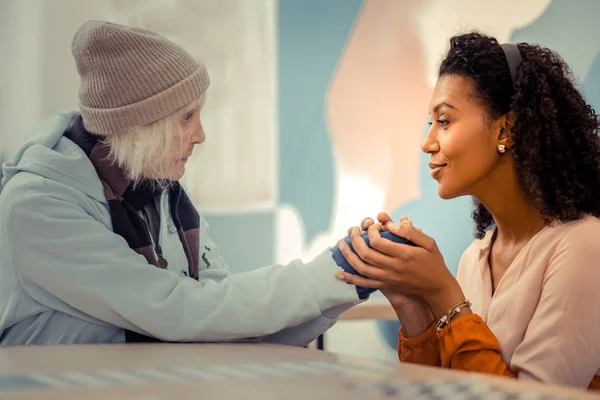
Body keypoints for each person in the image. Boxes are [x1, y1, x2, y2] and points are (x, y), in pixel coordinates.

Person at [0, 20, 369, 346]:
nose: (200, 135)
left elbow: (221, 321)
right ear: (139, 127)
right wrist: (332, 275)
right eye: (187, 116)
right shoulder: (37, 207)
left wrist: (343, 282)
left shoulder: (160, 195)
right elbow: (178, 310)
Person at [335, 32, 600, 390]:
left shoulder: (585, 247)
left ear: (505, 128)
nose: (427, 143)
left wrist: (444, 294)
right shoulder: (473, 260)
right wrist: (410, 300)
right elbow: (439, 390)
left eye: (443, 122)